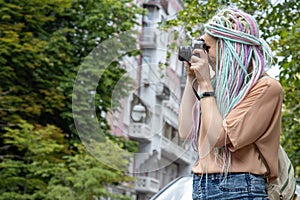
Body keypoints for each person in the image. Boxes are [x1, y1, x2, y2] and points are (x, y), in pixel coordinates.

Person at [178, 8, 283, 199]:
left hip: (240, 188)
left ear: (231, 47)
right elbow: (186, 131)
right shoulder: (217, 88)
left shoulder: (266, 88)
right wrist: (191, 80)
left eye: (207, 48)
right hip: (201, 185)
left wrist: (205, 84)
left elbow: (218, 137)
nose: (203, 54)